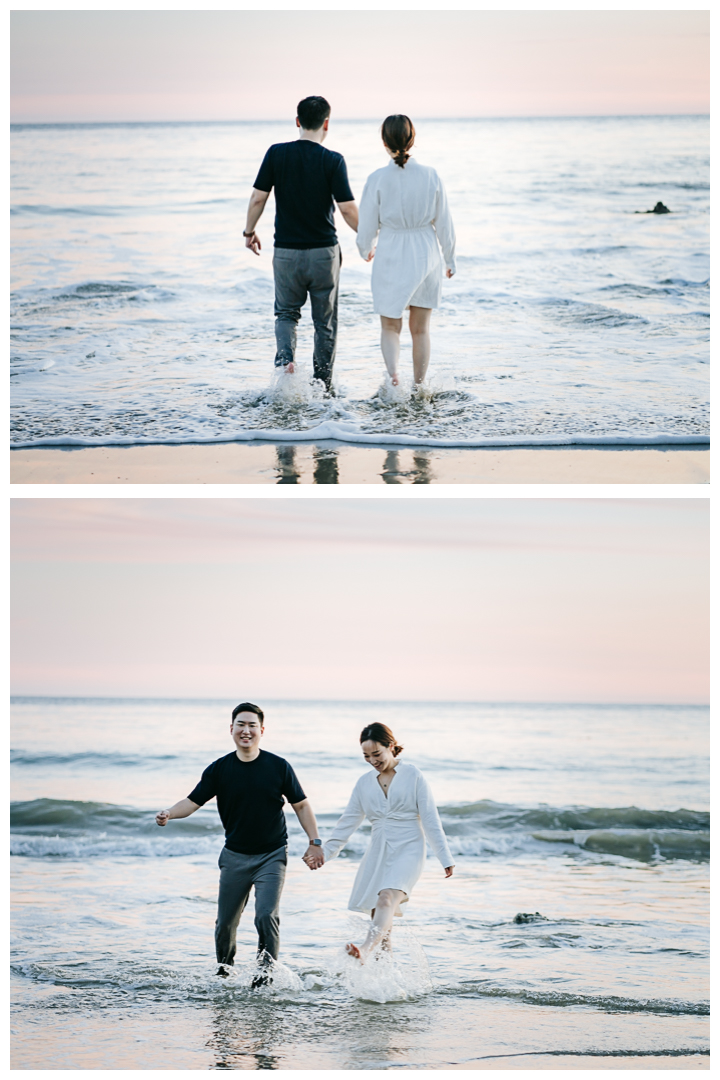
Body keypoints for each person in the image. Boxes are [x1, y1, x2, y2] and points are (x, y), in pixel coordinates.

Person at [155, 702, 324, 985]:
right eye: (241, 725)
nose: (246, 731)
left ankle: (264, 976)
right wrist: (169, 813)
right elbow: (192, 801)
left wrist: (315, 841)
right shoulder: (219, 769)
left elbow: (302, 805)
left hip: (272, 854)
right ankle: (224, 973)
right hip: (234, 856)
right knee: (225, 925)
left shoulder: (278, 766)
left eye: (252, 726)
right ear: (231, 729)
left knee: (266, 915)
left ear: (262, 730)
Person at [308, 722, 454, 963]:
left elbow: (430, 818)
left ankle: (364, 949)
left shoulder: (413, 775)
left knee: (386, 898)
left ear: (391, 747)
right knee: (381, 918)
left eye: (377, 754)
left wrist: (445, 857)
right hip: (378, 852)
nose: (372, 760)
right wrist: (324, 852)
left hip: (409, 849)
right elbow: (347, 823)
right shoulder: (364, 783)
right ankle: (385, 981)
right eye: (366, 756)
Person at [243, 95, 359, 391]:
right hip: (323, 254)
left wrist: (249, 232)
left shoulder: (276, 154)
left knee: (286, 314)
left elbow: (258, 197)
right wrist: (371, 239)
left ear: (297, 121)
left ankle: (285, 368)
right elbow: (346, 209)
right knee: (325, 323)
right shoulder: (333, 160)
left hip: (286, 253)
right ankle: (322, 387)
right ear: (326, 124)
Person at [356, 115, 456, 387]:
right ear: (412, 139)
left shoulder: (377, 178)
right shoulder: (431, 175)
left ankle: (393, 376)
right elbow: (444, 222)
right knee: (421, 329)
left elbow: (366, 224)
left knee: (390, 326)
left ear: (384, 141)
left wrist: (365, 249)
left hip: (391, 252)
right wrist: (450, 258)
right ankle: (419, 385)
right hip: (426, 252)